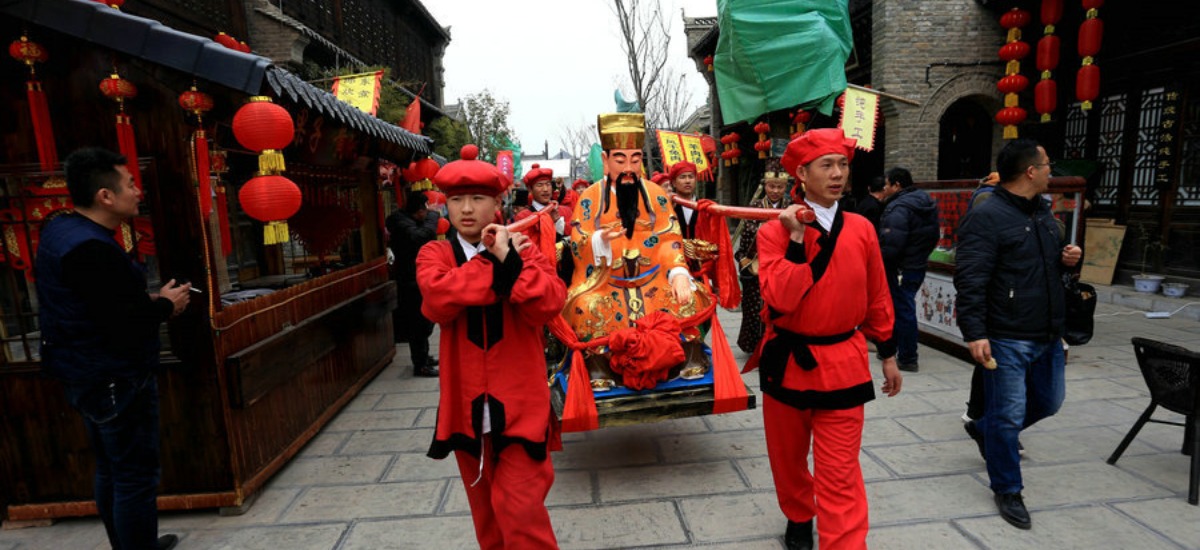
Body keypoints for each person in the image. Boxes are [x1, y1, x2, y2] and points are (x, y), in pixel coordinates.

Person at [754, 128, 902, 550]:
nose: (838, 174)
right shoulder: (774, 232)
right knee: (788, 459)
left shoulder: (860, 228)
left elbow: (878, 293)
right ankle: (799, 514)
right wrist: (797, 243)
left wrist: (888, 351)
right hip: (788, 359)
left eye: (843, 165)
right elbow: (780, 297)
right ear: (801, 173)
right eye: (827, 165)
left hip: (843, 361)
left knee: (840, 472)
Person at [36, 147, 188, 550]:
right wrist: (164, 306)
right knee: (134, 476)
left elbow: (102, 303)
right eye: (130, 184)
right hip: (112, 375)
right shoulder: (91, 250)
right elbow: (122, 319)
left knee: (111, 467)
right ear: (105, 196)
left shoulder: (60, 228)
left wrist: (143, 301)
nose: (138, 191)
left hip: (84, 370)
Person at [417, 144, 566, 549]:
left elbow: (550, 303)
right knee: (489, 524)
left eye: (478, 199)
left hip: (522, 408)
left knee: (518, 509)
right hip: (466, 412)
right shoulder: (436, 252)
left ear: (498, 203)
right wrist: (502, 265)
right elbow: (437, 302)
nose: (467, 209)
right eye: (457, 199)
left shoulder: (524, 248)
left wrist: (510, 263)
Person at [954, 138, 1082, 530]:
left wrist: (1069, 260)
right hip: (1007, 334)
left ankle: (984, 429)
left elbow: (1048, 269)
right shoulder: (987, 215)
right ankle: (1008, 488)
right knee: (1008, 416)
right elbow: (971, 278)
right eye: (1047, 165)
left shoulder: (1043, 213)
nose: (1050, 172)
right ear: (1030, 171)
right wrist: (975, 332)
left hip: (1046, 331)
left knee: (1049, 402)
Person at [877, 167, 940, 372]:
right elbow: (933, 237)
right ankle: (893, 349)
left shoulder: (899, 208)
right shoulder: (925, 203)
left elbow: (892, 243)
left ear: (897, 185)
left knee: (903, 310)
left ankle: (908, 356)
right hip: (916, 265)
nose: (884, 188)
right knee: (901, 308)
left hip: (901, 268)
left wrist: (881, 261)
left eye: (887, 184)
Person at [734, 166, 790, 354]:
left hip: (782, 266)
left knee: (780, 308)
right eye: (771, 186)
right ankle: (756, 346)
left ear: (785, 188)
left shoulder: (790, 206)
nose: (775, 191)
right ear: (765, 185)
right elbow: (746, 233)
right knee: (755, 307)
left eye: (780, 187)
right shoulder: (754, 206)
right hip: (756, 264)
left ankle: (777, 347)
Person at [386, 190, 441, 377]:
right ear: (416, 211)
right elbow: (421, 236)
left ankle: (424, 356)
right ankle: (420, 364)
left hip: (421, 277)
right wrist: (433, 217)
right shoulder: (399, 222)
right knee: (417, 322)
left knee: (427, 319)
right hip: (409, 280)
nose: (426, 215)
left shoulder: (412, 220)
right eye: (425, 211)